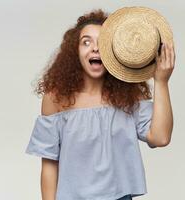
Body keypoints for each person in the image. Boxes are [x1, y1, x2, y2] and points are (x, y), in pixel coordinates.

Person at [25, 9, 175, 200]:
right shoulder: (56, 99)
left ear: (112, 51)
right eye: (86, 42)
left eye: (101, 42)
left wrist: (161, 82)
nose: (95, 48)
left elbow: (160, 138)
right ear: (75, 52)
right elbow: (49, 164)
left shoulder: (128, 96)